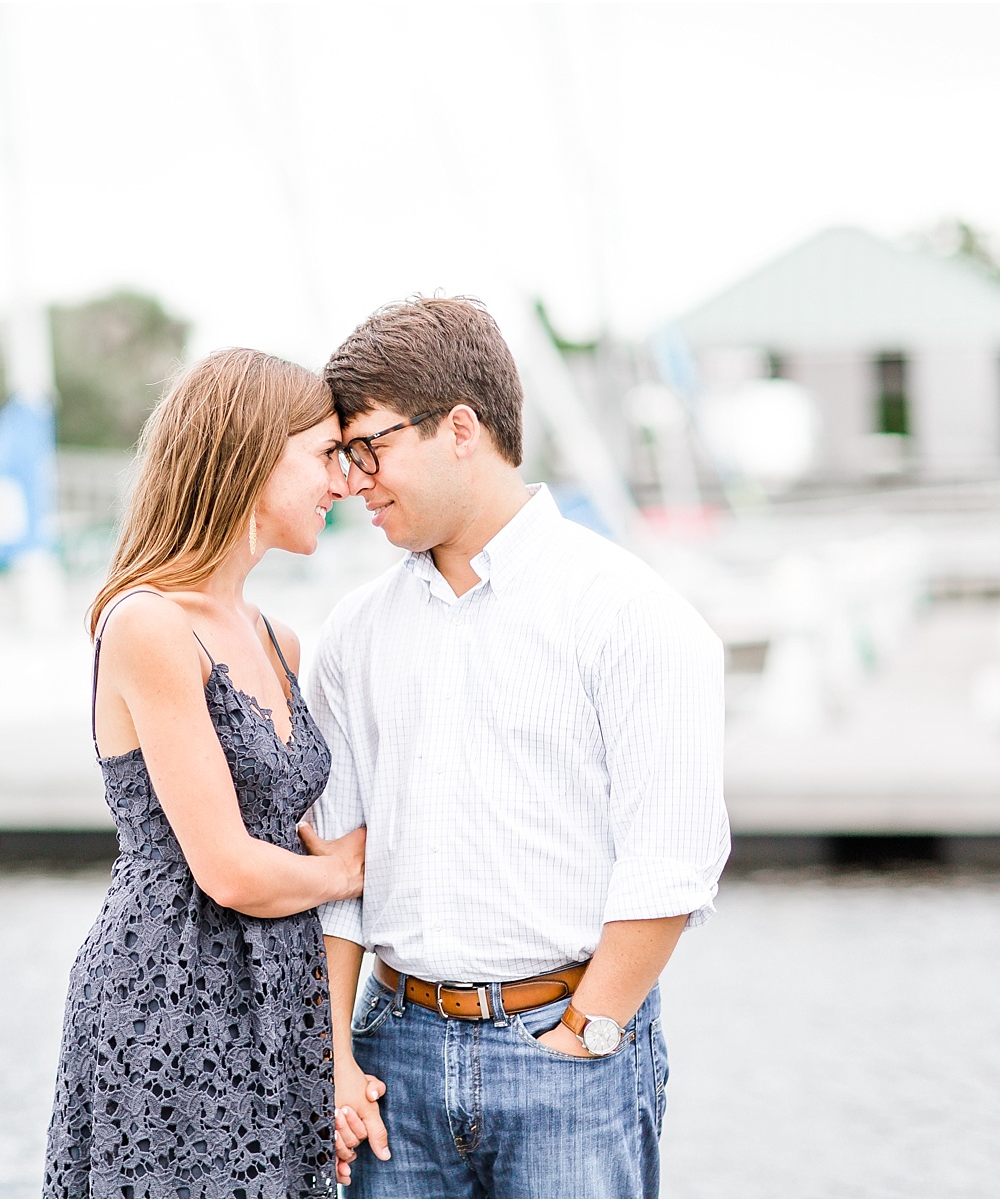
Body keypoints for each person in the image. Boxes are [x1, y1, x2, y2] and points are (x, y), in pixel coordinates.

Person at [307, 298, 731, 1199]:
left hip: (568, 1054)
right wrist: (337, 1055)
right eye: (342, 457)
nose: (351, 481)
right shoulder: (351, 635)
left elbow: (675, 858)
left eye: (368, 448)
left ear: (460, 428)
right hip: (394, 1058)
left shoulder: (632, 615)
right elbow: (339, 872)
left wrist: (590, 1031)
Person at [44, 347, 365, 1200]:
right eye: (325, 454)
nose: (343, 482)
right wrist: (350, 867)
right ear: (256, 457)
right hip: (171, 990)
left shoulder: (277, 639)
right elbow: (227, 868)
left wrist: (335, 1051)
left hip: (279, 994)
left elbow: (287, 837)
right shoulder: (148, 623)